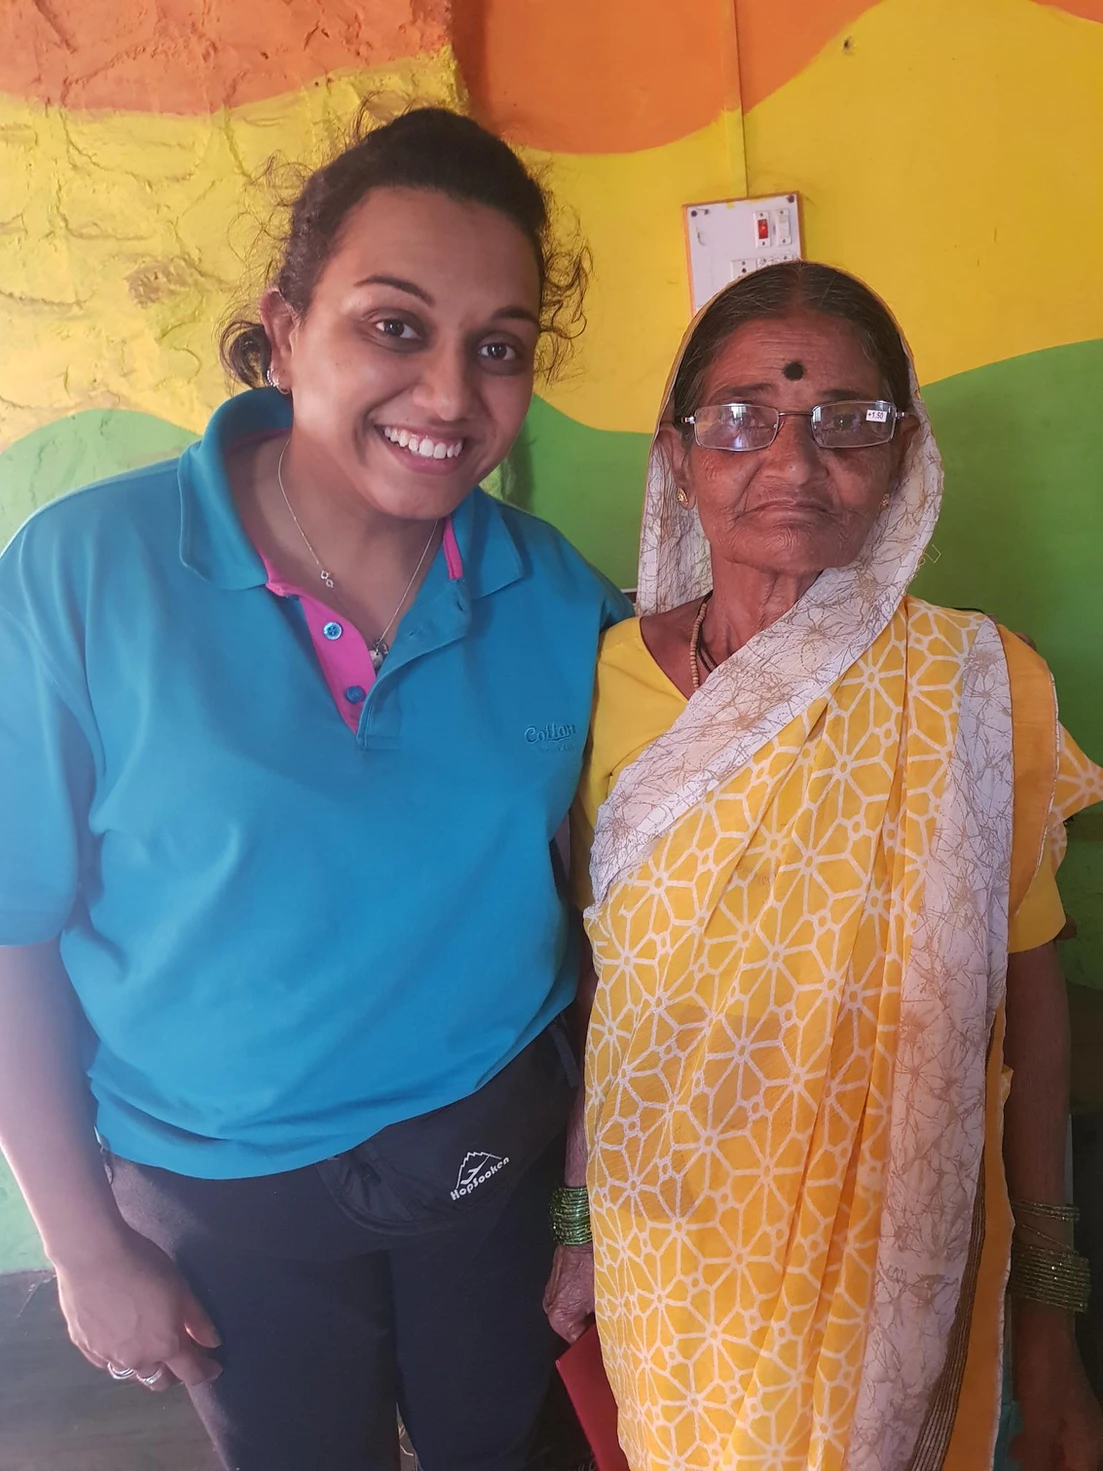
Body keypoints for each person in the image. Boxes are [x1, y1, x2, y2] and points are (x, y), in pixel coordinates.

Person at [0, 106, 629, 1471]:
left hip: (487, 1156)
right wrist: (83, 1240)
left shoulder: (552, 595)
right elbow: (14, 928)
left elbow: (660, 841)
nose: (452, 394)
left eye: (498, 347)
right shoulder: (80, 579)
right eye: (394, 326)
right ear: (284, 331)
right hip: (222, 1192)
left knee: (502, 1443)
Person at [544, 262, 1103, 1471]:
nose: (792, 465)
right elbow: (605, 989)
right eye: (740, 420)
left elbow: (1034, 1009)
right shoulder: (590, 689)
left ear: (904, 456)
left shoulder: (976, 688)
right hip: (674, 1248)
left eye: (848, 422)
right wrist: (576, 1222)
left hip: (896, 1253)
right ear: (679, 457)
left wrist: (1051, 1301)